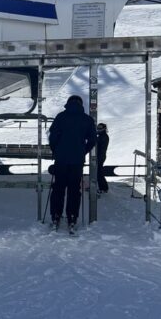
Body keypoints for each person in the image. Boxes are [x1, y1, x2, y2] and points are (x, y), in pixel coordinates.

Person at [48, 95, 97, 231]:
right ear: (81, 104)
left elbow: (52, 137)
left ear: (68, 103)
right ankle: (72, 217)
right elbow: (93, 140)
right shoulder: (87, 119)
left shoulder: (60, 117)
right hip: (77, 161)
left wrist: (56, 151)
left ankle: (56, 216)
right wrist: (83, 151)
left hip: (61, 160)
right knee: (74, 190)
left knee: (58, 188)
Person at [96, 122, 110, 194]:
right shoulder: (101, 136)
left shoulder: (103, 136)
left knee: (99, 173)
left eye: (100, 128)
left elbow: (101, 148)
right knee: (99, 172)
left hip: (100, 156)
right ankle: (103, 187)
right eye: (98, 128)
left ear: (104, 129)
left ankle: (103, 188)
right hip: (100, 156)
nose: (98, 129)